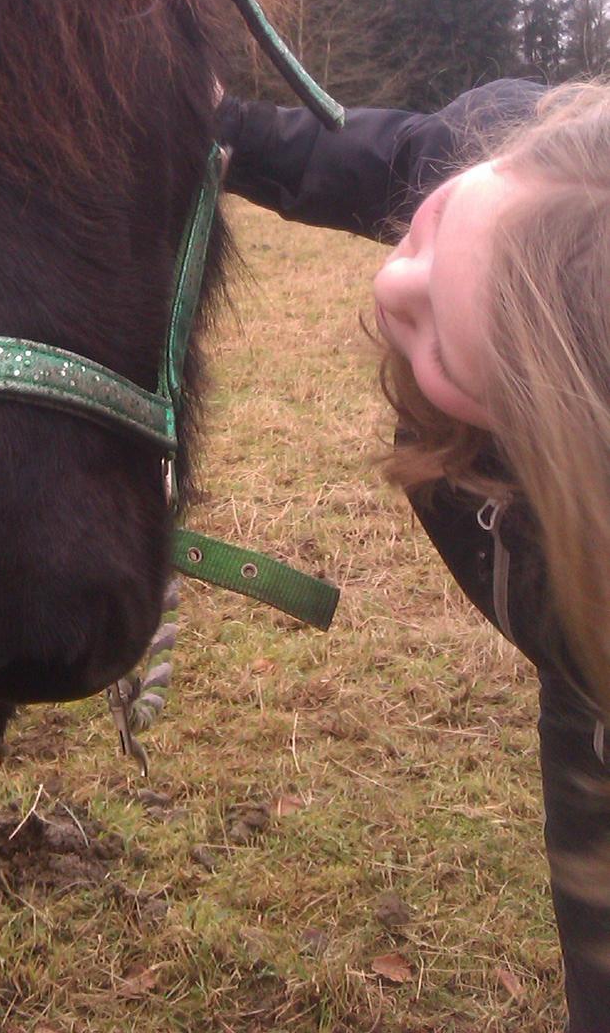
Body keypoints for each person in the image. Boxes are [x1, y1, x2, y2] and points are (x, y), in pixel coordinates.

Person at [217, 77, 610, 1032]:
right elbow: (375, 157)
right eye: (430, 230)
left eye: (441, 348)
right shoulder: (504, 174)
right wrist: (221, 122)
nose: (394, 283)